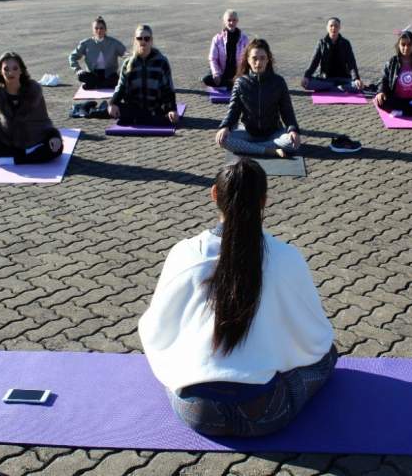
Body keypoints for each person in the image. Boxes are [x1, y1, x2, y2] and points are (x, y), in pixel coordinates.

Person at [139, 158, 337, 437]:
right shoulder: (286, 257)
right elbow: (314, 336)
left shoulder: (185, 253)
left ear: (214, 195)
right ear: (264, 200)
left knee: (171, 364)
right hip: (267, 411)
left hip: (199, 412)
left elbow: (156, 326)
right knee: (328, 354)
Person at [216, 39, 300, 158]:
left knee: (293, 143)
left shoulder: (278, 82)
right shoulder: (241, 83)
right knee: (222, 139)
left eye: (262, 58)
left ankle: (251, 148)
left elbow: (287, 111)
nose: (258, 62)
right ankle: (268, 150)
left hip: (274, 133)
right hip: (248, 132)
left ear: (268, 59)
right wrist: (225, 127)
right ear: (248, 60)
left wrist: (292, 130)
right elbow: (233, 111)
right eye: (254, 58)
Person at [0, 52, 62, 165]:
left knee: (56, 148)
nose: (11, 72)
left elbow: (44, 122)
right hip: (6, 142)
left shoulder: (34, 92)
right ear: (0, 71)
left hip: (32, 141)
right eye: (6, 69)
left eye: (15, 68)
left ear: (21, 70)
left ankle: (15, 159)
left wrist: (54, 136)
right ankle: (26, 156)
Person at [108, 25, 179, 127]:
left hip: (155, 107)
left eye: (147, 38)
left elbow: (168, 88)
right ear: (135, 40)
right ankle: (145, 117)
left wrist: (172, 109)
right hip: (134, 107)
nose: (143, 41)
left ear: (151, 40)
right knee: (116, 110)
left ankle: (144, 118)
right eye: (139, 38)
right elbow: (121, 87)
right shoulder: (128, 63)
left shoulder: (162, 62)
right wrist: (112, 104)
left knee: (166, 117)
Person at [301, 17, 363, 93]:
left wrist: (356, 79)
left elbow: (351, 63)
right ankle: (336, 88)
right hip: (326, 79)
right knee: (307, 84)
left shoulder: (345, 43)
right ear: (327, 28)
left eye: (336, 26)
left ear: (339, 28)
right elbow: (314, 62)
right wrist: (306, 76)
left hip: (343, 78)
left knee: (358, 86)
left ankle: (331, 88)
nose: (333, 28)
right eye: (331, 26)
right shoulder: (321, 43)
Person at [69, 16, 127, 90]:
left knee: (119, 77)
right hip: (93, 75)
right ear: (93, 30)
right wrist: (78, 69)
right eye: (96, 28)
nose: (99, 30)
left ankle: (95, 85)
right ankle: (103, 84)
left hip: (110, 75)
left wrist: (125, 68)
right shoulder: (86, 43)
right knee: (81, 76)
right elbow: (72, 57)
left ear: (105, 30)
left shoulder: (114, 43)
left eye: (101, 28)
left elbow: (126, 55)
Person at [202, 9, 250, 91]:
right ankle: (233, 83)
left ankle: (232, 82)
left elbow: (247, 59)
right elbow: (213, 59)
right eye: (229, 20)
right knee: (206, 79)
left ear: (237, 21)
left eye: (234, 20)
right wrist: (216, 73)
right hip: (222, 72)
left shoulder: (244, 39)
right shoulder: (217, 38)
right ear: (224, 21)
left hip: (237, 72)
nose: (231, 23)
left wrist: (240, 74)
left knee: (251, 78)